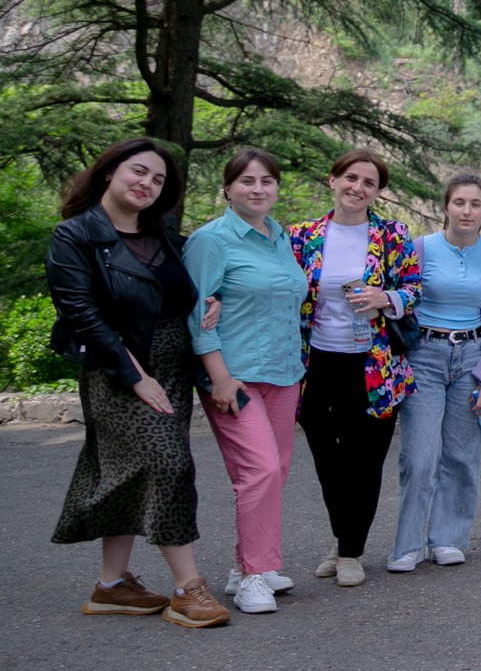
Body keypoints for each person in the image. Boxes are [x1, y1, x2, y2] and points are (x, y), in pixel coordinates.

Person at [47, 139, 224, 627]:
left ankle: (112, 586)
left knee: (129, 471)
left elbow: (181, 288)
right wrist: (136, 377)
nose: (147, 183)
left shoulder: (162, 232)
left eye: (158, 179)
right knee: (169, 464)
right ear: (110, 172)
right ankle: (188, 589)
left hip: (174, 368)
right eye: (138, 171)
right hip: (118, 372)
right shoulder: (75, 235)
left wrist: (208, 300)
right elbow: (83, 316)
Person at [183, 148, 307, 615]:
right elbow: (196, 313)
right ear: (228, 188)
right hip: (235, 378)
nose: (258, 189)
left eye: (266, 181)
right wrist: (218, 376)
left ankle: (248, 566)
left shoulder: (278, 236)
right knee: (260, 471)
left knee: (274, 472)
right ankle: (255, 574)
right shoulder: (210, 241)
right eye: (247, 181)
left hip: (284, 372)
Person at [290, 149, 422, 590]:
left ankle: (349, 552)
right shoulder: (301, 236)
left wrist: (386, 298)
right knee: (328, 459)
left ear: (377, 191)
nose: (358, 188)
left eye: (369, 182)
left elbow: (413, 288)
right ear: (333, 180)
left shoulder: (391, 234)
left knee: (365, 461)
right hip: (316, 364)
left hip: (374, 366)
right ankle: (343, 536)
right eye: (351, 178)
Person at [389, 173, 481, 574]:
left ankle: (448, 538)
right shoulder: (419, 248)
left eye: (475, 204)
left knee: (461, 455)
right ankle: (408, 544)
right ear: (446, 206)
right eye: (459, 203)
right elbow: (399, 297)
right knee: (419, 456)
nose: (467, 211)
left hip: (472, 356)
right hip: (424, 356)